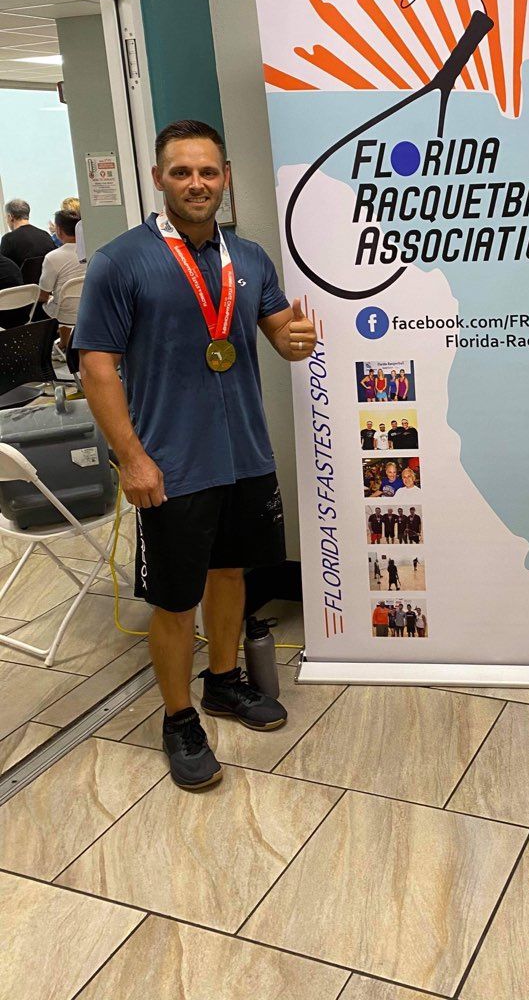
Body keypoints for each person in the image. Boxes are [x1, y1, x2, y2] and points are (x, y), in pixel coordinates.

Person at [74, 119, 318, 793]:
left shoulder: (250, 257)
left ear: (226, 177)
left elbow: (279, 333)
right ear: (159, 179)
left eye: (208, 171)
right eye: (181, 172)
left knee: (231, 575)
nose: (196, 183)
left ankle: (224, 682)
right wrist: (131, 458)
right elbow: (96, 367)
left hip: (244, 455)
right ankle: (179, 720)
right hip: (171, 463)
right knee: (175, 600)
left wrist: (296, 339)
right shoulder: (123, 261)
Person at [38, 209, 84, 348]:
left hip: (65, 313)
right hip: (91, 307)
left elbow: (43, 295)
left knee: (53, 301)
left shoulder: (52, 257)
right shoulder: (91, 250)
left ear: (58, 230)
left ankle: (63, 344)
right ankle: (65, 343)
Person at [1, 199, 55, 283]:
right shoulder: (45, 235)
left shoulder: (8, 239)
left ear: (10, 217)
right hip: (47, 285)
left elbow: (4, 269)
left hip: (22, 288)